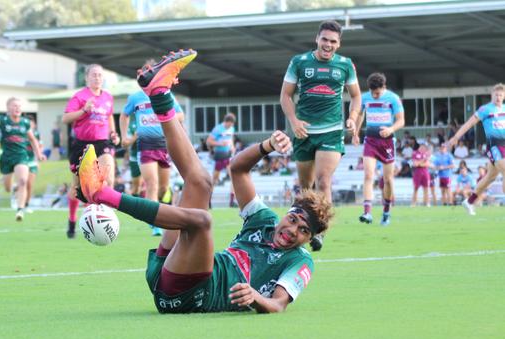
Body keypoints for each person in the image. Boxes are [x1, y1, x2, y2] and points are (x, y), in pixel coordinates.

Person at [77, 49, 333, 313]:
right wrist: (267, 146)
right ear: (286, 214)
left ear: (310, 238)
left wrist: (255, 297)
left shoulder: (301, 259)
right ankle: (160, 94)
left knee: (202, 221)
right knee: (201, 182)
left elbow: (278, 304)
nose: (293, 231)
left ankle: (101, 193)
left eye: (304, 231)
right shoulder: (264, 220)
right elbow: (238, 170)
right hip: (169, 270)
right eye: (293, 220)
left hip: (192, 295)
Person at [280, 19, 361, 250]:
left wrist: (352, 118)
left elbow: (356, 96)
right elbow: (285, 95)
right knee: (306, 187)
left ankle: (320, 232)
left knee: (324, 180)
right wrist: (294, 122)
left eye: (333, 41)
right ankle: (299, 228)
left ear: (339, 44)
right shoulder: (299, 62)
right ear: (317, 39)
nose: (328, 44)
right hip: (303, 131)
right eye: (324, 39)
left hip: (331, 131)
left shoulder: (345, 65)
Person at [121, 64, 184, 236]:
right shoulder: (135, 98)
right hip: (145, 145)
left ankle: (161, 206)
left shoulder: (165, 94)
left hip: (164, 144)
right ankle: (155, 224)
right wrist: (124, 136)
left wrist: (164, 115)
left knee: (164, 188)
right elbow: (124, 114)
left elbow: (180, 115)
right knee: (152, 185)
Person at [62, 64, 120, 238]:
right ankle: (72, 220)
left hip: (102, 142)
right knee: (77, 187)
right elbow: (66, 118)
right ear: (86, 78)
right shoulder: (79, 96)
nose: (97, 78)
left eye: (100, 75)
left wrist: (113, 133)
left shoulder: (108, 97)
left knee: (107, 177)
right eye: (94, 75)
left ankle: (100, 216)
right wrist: (83, 110)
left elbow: (109, 116)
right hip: (82, 144)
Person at [352, 72, 404, 226]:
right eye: (372, 93)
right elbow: (360, 114)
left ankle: (386, 212)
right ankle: (367, 212)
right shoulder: (365, 97)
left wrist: (391, 129)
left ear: (384, 87)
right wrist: (356, 133)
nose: (375, 96)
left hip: (387, 142)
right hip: (370, 140)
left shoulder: (393, 98)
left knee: (387, 179)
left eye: (378, 93)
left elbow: (401, 120)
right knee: (368, 175)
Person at [0, 97, 45, 221]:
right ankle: (8, 183)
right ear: (8, 108)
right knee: (7, 188)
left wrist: (38, 154)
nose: (17, 108)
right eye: (14, 106)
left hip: (21, 156)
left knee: (23, 181)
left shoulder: (25, 123)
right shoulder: (3, 120)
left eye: (19, 106)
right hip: (6, 157)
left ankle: (20, 210)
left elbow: (32, 139)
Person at [447, 83, 505, 215]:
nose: (498, 97)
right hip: (494, 146)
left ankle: (469, 201)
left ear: (504, 96)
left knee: (490, 177)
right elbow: (469, 123)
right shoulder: (485, 109)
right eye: (496, 95)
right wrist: (456, 137)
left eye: (501, 95)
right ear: (492, 95)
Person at [206, 113, 237, 207]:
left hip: (228, 155)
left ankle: (232, 201)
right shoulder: (217, 129)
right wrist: (220, 143)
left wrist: (232, 147)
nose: (230, 126)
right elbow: (209, 141)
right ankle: (208, 201)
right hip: (219, 155)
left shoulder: (231, 129)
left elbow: (230, 139)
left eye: (232, 125)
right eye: (229, 124)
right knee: (214, 179)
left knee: (234, 177)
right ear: (226, 122)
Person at [119, 112, 142, 198]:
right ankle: (137, 207)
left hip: (150, 155)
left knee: (152, 184)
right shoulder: (132, 124)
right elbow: (125, 144)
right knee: (136, 187)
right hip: (135, 158)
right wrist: (135, 136)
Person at [25, 116, 43, 213]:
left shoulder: (36, 134)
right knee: (23, 182)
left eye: (31, 123)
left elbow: (40, 146)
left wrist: (39, 157)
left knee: (30, 184)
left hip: (32, 161)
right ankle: (21, 204)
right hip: (22, 160)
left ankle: (26, 205)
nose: (30, 125)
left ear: (34, 124)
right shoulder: (22, 133)